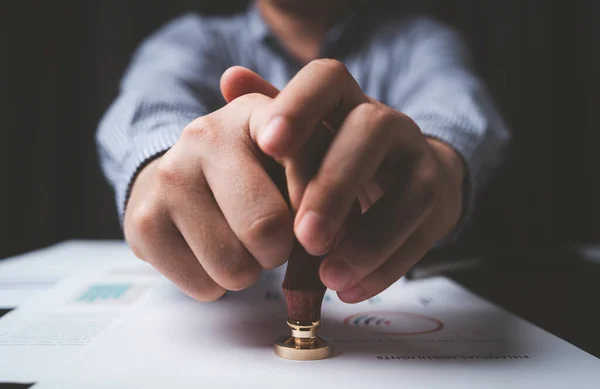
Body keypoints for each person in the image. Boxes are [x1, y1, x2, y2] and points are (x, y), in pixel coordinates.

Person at [97, 0, 509, 304]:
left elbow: (456, 110)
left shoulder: (421, 40)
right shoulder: (188, 40)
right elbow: (148, 110)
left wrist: (437, 165)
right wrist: (159, 168)